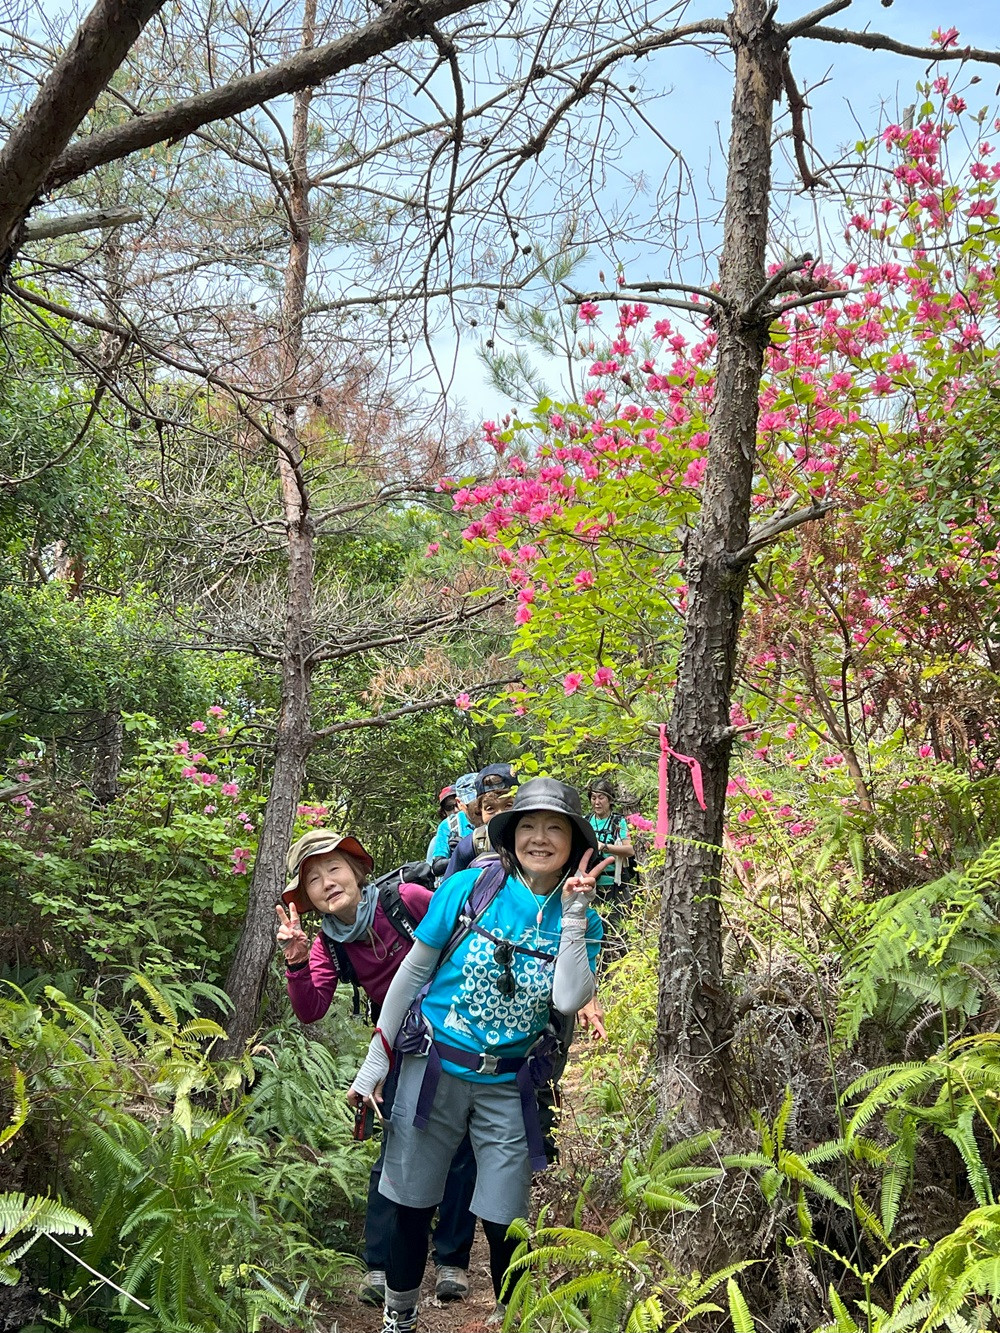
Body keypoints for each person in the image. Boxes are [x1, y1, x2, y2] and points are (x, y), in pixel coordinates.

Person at [348, 778, 607, 1333]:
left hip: (507, 1083)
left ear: (573, 841)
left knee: (505, 1214)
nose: (540, 838)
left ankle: (511, 1316)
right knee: (412, 1200)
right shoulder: (467, 888)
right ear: (511, 835)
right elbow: (414, 970)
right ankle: (401, 1313)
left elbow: (567, 998)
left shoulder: (585, 919)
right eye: (529, 826)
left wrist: (575, 916)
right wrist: (379, 1057)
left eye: (554, 828)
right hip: (433, 1066)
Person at [275, 829, 477, 1306]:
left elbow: (468, 937)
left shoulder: (405, 898)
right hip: (402, 1049)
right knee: (396, 1148)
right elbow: (311, 1009)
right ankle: (382, 1264)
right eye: (313, 880)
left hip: (459, 1033)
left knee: (461, 1148)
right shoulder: (328, 943)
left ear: (357, 870)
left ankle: (452, 1261)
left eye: (334, 869)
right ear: (306, 898)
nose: (327, 883)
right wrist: (297, 960)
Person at [442, 763, 517, 879]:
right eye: (490, 808)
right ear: (480, 812)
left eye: (508, 805)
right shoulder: (471, 846)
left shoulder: (539, 840)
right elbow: (447, 893)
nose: (499, 814)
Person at [586, 777, 635, 914]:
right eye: (593, 798)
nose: (597, 802)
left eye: (601, 798)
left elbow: (630, 850)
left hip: (616, 884)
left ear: (610, 799)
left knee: (618, 928)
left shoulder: (618, 822)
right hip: (591, 885)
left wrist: (604, 847)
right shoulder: (586, 821)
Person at [425, 785, 471, 863]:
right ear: (443, 812)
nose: (456, 810)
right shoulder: (441, 836)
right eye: (449, 807)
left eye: (458, 804)